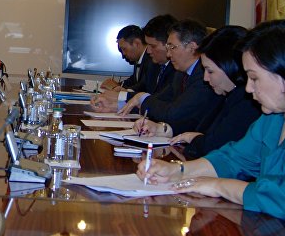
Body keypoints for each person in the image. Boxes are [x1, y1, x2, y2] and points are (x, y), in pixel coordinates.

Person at [137, 20, 285, 236]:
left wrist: (218, 185)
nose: (248, 89)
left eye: (254, 78)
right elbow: (233, 158)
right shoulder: (275, 118)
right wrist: (177, 171)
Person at [134, 26, 260, 158]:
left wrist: (195, 139)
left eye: (210, 71)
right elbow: (197, 125)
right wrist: (163, 129)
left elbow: (213, 145)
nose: (205, 78)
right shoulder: (225, 94)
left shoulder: (246, 102)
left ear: (231, 67)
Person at [120, 20, 223, 134]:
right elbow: (160, 100)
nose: (168, 54)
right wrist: (124, 106)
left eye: (172, 47)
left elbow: (174, 113)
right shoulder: (180, 74)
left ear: (191, 47)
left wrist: (141, 98)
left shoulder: (204, 76)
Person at [93, 15, 177, 111]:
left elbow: (158, 101)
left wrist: (121, 96)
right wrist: (120, 96)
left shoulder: (177, 70)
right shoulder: (155, 65)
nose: (148, 51)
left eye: (153, 46)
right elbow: (143, 88)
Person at [101, 25, 152, 90]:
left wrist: (115, 88)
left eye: (124, 49)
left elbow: (143, 87)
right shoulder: (138, 59)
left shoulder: (152, 59)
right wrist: (118, 85)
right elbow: (133, 80)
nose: (123, 54)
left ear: (137, 43)